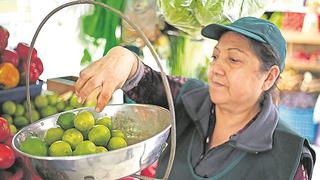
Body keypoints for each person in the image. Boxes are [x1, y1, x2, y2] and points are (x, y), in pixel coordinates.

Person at [74, 17, 316, 180]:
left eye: (233, 60)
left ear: (269, 77)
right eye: (215, 57)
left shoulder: (290, 157)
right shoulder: (187, 97)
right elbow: (143, 80)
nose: (216, 69)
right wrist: (123, 57)